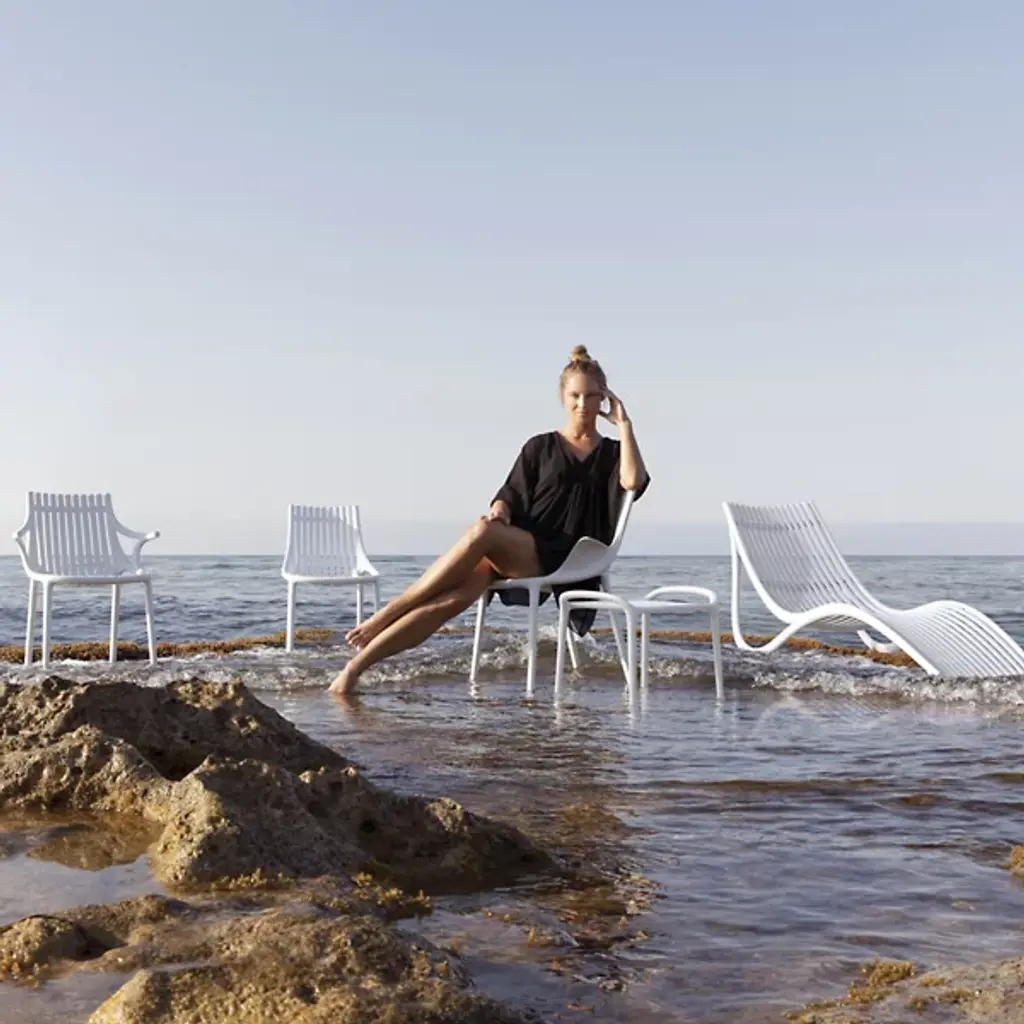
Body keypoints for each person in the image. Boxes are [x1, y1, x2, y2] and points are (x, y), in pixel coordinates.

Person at [329, 345, 649, 694]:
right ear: (563, 397)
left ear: (604, 398)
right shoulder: (539, 446)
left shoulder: (614, 453)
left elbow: (633, 482)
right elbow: (509, 495)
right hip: (519, 548)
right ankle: (352, 671)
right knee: (449, 601)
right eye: (575, 395)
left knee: (482, 531)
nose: (582, 404)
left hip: (569, 555)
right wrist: (500, 512)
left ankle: (391, 609)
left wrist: (625, 425)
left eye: (591, 396)